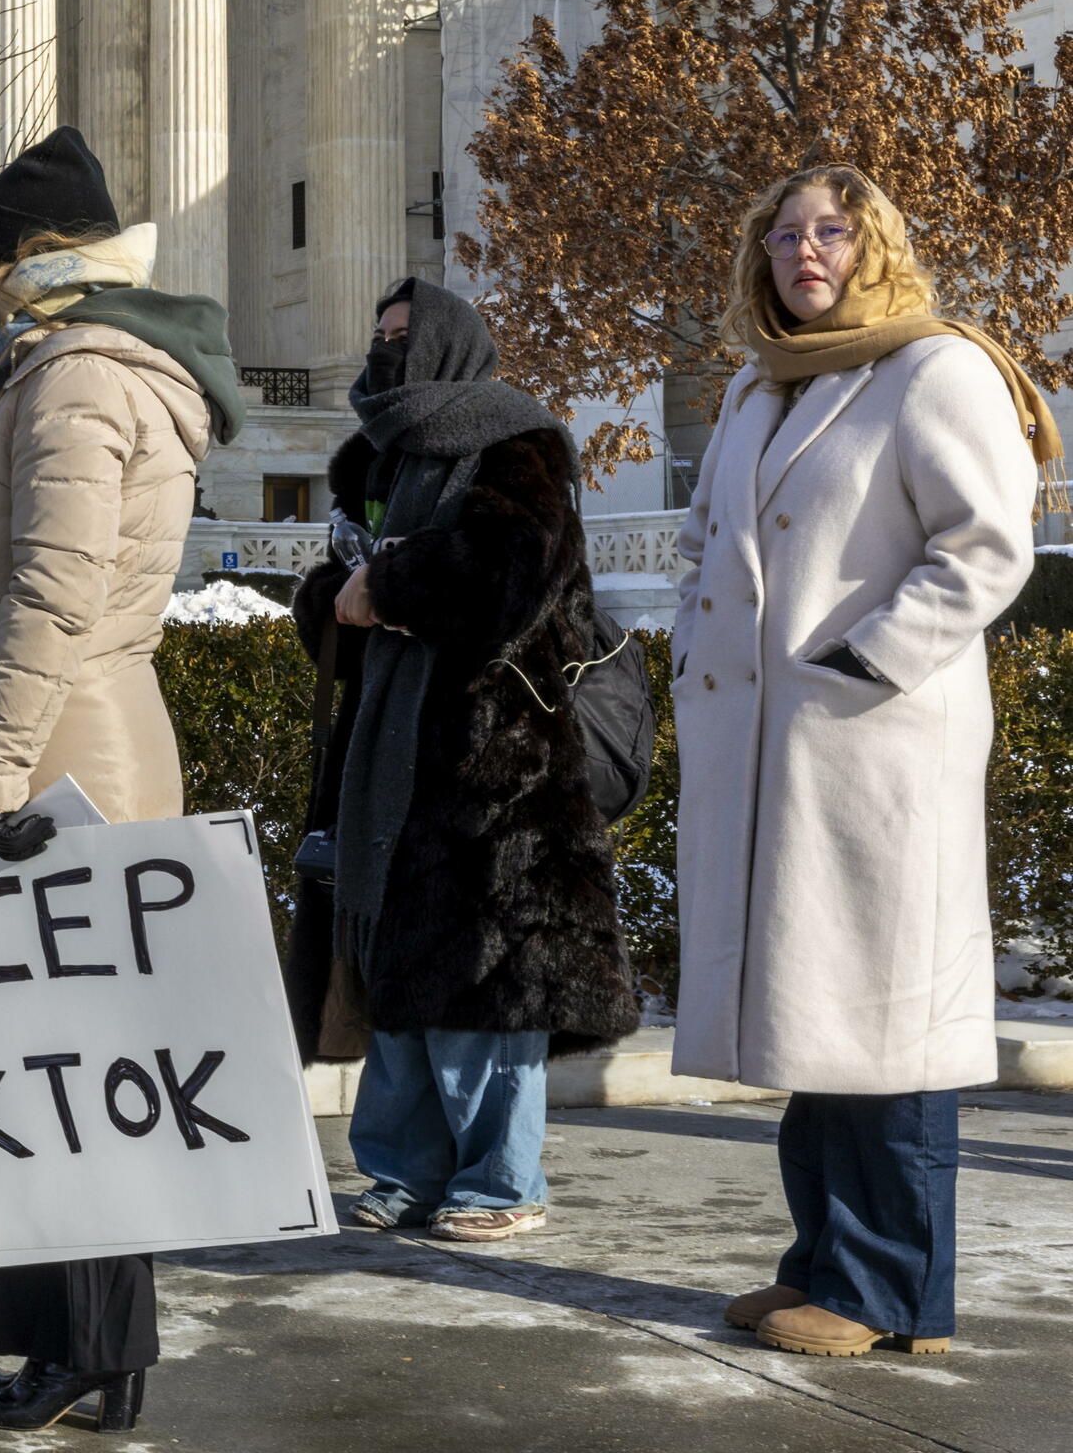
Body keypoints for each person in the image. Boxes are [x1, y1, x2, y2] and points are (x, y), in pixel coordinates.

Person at [672, 165, 1048, 1360]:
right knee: (812, 1016)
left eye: (833, 227)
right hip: (776, 751)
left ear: (876, 243)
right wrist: (696, 640)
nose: (805, 247)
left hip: (878, 744)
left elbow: (990, 540)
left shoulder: (935, 368)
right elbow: (703, 540)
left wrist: (873, 657)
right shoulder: (753, 385)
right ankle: (822, 1264)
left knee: (889, 1021)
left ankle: (893, 1294)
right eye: (783, 230)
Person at [0, 125, 241, 1436]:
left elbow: (56, 589)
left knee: (55, 1076)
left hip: (55, 761)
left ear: (32, 258)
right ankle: (82, 1353)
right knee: (60, 1074)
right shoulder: (90, 368)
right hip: (82, 739)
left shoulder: (77, 378)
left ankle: (81, 1353)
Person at [288, 279, 640, 1247]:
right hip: (391, 763)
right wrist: (335, 598)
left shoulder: (516, 442)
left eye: (405, 336)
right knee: (395, 972)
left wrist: (387, 581)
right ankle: (408, 1167)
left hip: (498, 769)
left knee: (488, 983)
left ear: (449, 345)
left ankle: (502, 1175)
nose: (386, 349)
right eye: (380, 334)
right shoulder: (371, 457)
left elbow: (504, 573)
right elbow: (335, 593)